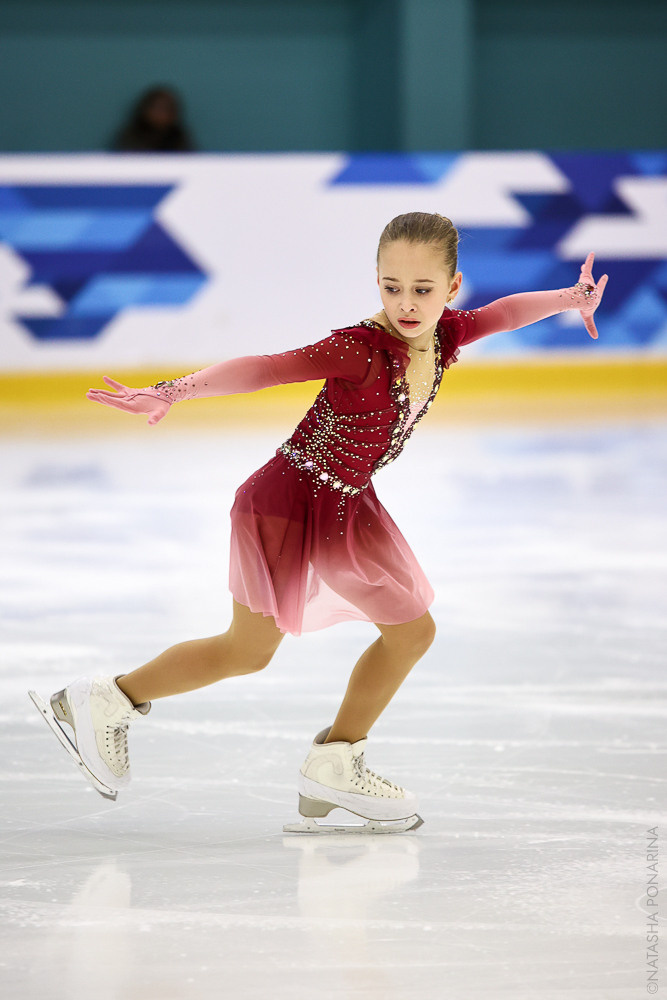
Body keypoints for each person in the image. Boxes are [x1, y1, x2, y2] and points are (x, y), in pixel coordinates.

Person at [29, 213, 607, 832]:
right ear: (376, 282)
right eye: (392, 287)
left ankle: (330, 760)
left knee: (402, 633)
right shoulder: (358, 349)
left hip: (344, 504)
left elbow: (506, 313)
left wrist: (571, 297)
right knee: (250, 651)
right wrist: (173, 391)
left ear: (452, 286)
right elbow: (265, 368)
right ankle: (105, 700)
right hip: (287, 503)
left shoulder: (447, 334)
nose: (407, 304)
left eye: (423, 289)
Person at [112, 85, 195, 153]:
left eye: (167, 109)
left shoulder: (179, 138)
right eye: (158, 108)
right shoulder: (130, 137)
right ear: (145, 109)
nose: (162, 114)